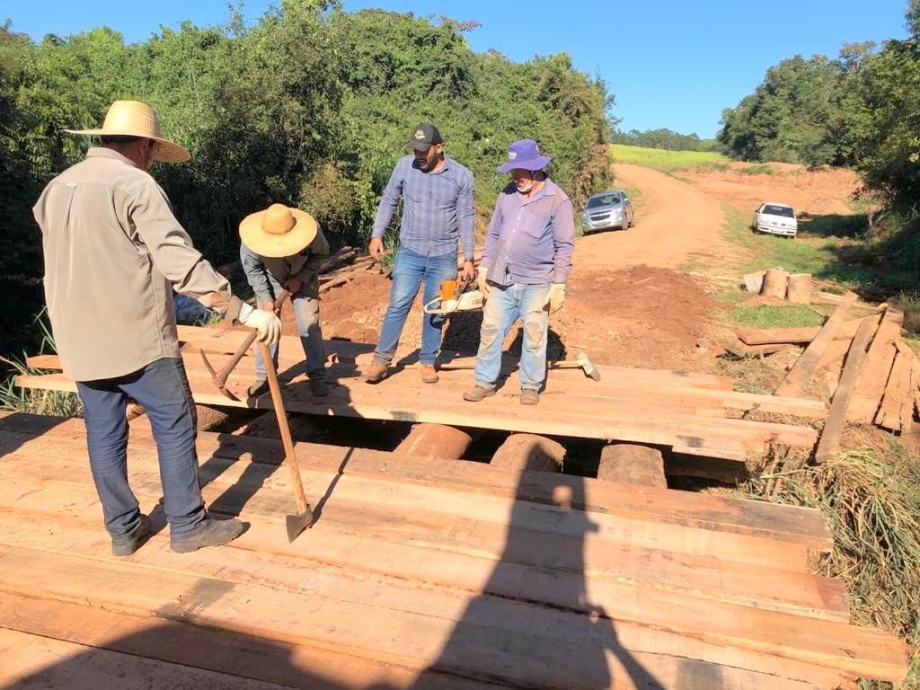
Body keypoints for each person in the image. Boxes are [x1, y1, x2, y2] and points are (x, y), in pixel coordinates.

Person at [32, 100, 282, 556]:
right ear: (146, 146)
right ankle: (188, 526)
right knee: (174, 423)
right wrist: (242, 311)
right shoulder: (134, 185)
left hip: (78, 339)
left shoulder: (57, 186)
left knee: (104, 432)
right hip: (137, 336)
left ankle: (124, 530)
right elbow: (177, 260)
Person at [463, 139, 574, 406]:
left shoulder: (557, 200)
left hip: (537, 281)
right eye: (513, 172)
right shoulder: (507, 194)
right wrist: (485, 266)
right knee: (490, 330)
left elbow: (565, 245)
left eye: (520, 172)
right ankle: (484, 382)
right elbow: (494, 234)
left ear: (536, 170)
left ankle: (530, 385)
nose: (515, 177)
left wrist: (559, 284)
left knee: (534, 335)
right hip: (503, 277)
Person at [363, 123, 476, 384]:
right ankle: (381, 360)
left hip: (445, 257)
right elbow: (389, 198)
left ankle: (427, 361)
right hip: (409, 253)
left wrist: (468, 258)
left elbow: (466, 217)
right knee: (398, 305)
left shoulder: (461, 176)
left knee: (437, 309)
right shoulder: (405, 166)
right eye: (415, 149)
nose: (419, 154)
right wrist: (377, 234)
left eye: (424, 150)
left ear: (439, 147)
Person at [239, 203, 331, 397]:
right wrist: (266, 300)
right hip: (270, 278)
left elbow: (321, 254)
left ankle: (317, 375)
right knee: (266, 326)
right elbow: (253, 270)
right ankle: (266, 377)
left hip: (303, 276)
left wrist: (302, 277)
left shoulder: (312, 233)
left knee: (309, 325)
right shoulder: (251, 241)